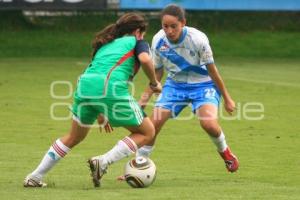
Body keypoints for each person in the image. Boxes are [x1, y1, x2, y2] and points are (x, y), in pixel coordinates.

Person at [23, 12, 162, 188]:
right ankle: (103, 162)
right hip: (108, 88)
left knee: (74, 136)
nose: (143, 37)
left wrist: (100, 113)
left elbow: (97, 71)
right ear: (137, 31)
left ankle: (34, 176)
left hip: (84, 87)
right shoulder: (137, 42)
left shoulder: (106, 45)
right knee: (147, 132)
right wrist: (153, 82)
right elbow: (145, 58)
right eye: (143, 33)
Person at [134, 4, 239, 173]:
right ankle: (139, 165)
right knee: (152, 126)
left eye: (173, 26)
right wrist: (143, 101)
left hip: (203, 85)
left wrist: (227, 98)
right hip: (174, 86)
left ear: (183, 23)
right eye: (165, 26)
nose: (169, 31)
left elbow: (213, 71)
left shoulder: (198, 39)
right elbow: (157, 74)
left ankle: (226, 153)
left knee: (209, 124)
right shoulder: (158, 40)